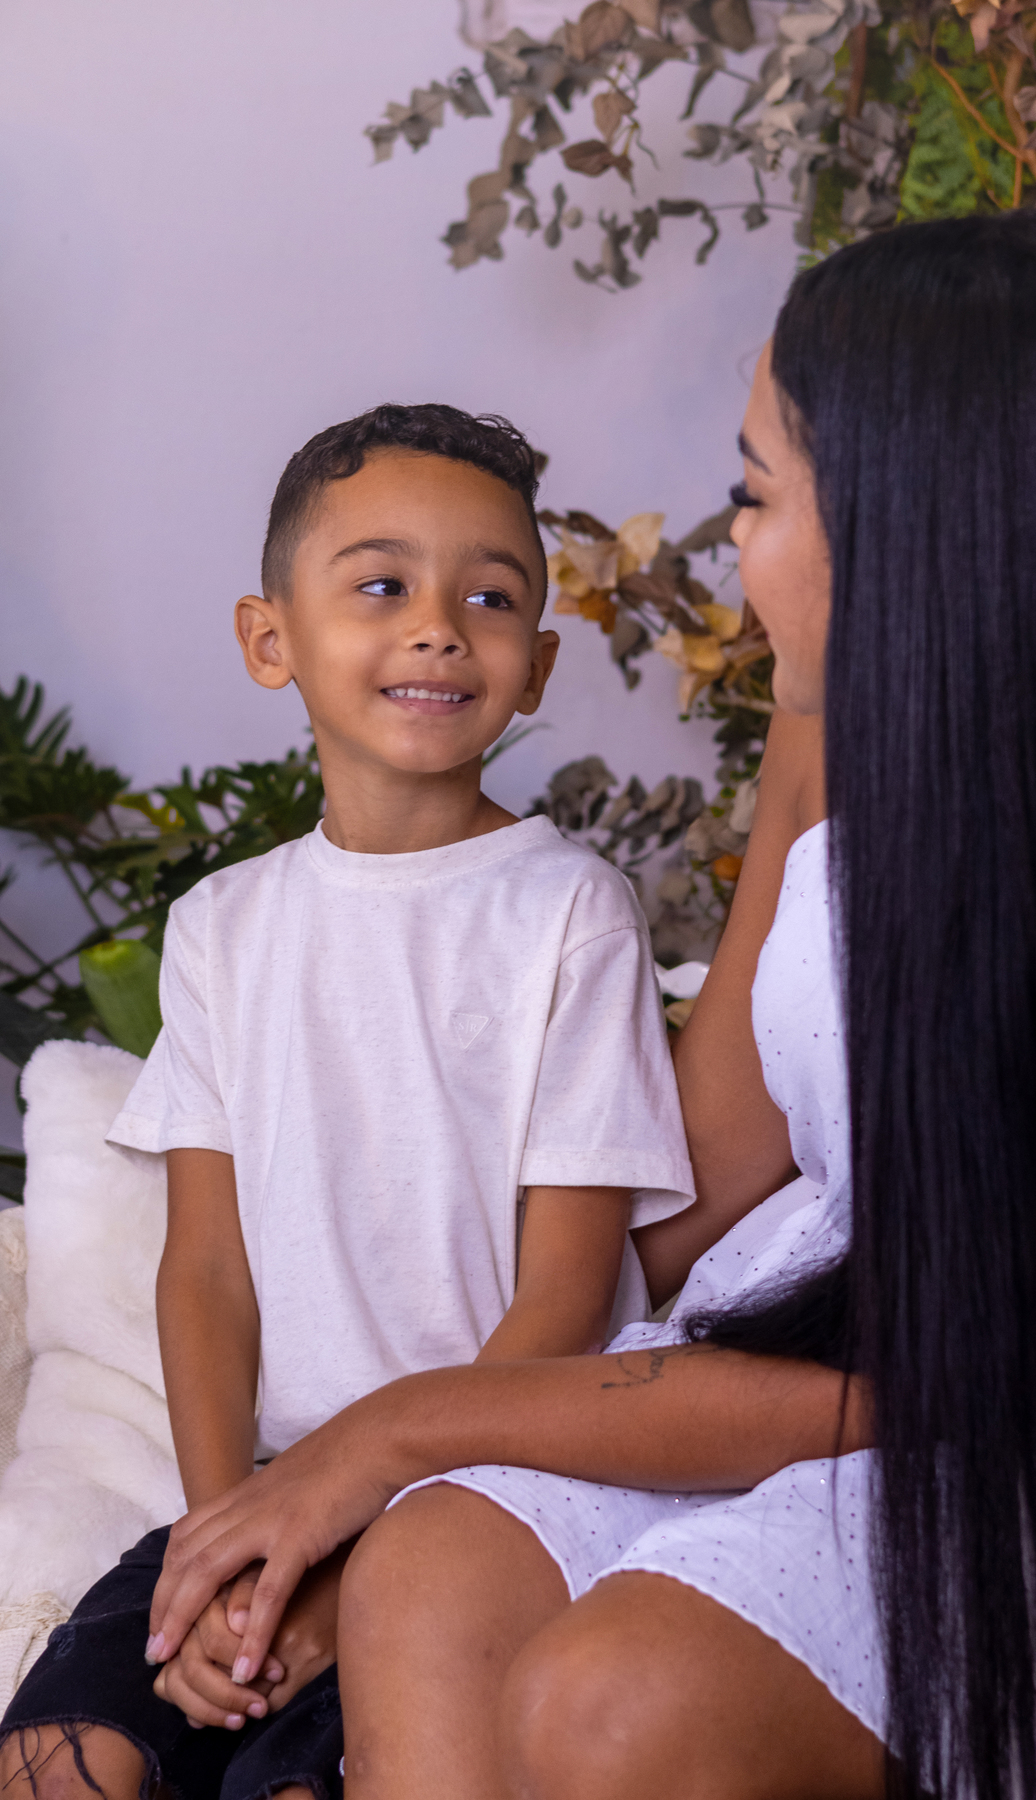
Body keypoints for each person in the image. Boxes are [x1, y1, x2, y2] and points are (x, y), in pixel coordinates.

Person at [12, 208, 1036, 1800]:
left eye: (755, 494)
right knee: (429, 1572)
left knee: (611, 1704)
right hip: (805, 1340)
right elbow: (716, 1168)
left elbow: (942, 1376)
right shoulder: (826, 713)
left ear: (921, 532)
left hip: (999, 1423)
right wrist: (341, 1488)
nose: (734, 549)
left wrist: (407, 1427)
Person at [0, 404, 695, 1800]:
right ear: (270, 640)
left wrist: (352, 1547)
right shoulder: (222, 929)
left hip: (480, 1503)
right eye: (383, 585)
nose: (439, 628)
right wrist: (225, 1541)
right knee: (52, 1767)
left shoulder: (571, 914)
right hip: (265, 1491)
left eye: (489, 598)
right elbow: (205, 1269)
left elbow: (566, 1300)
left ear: (538, 662)